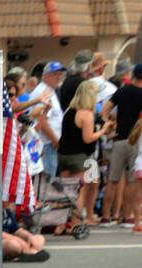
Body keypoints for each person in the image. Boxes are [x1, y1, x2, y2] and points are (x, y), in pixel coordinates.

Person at [60, 80, 113, 227]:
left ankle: (63, 223)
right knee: (80, 191)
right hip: (82, 156)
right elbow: (88, 138)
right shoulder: (87, 114)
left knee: (67, 191)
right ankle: (76, 223)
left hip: (64, 154)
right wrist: (104, 130)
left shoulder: (68, 111)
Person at [102, 64, 142, 224]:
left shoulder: (122, 90)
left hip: (118, 139)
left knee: (113, 180)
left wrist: (108, 128)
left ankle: (106, 216)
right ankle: (127, 217)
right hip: (137, 141)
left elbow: (104, 111)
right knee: (133, 181)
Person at [29, 62, 65, 190]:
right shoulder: (44, 92)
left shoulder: (48, 91)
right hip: (46, 144)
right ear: (46, 76)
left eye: (60, 74)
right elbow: (42, 121)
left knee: (44, 184)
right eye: (55, 74)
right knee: (45, 185)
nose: (59, 77)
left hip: (46, 143)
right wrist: (56, 140)